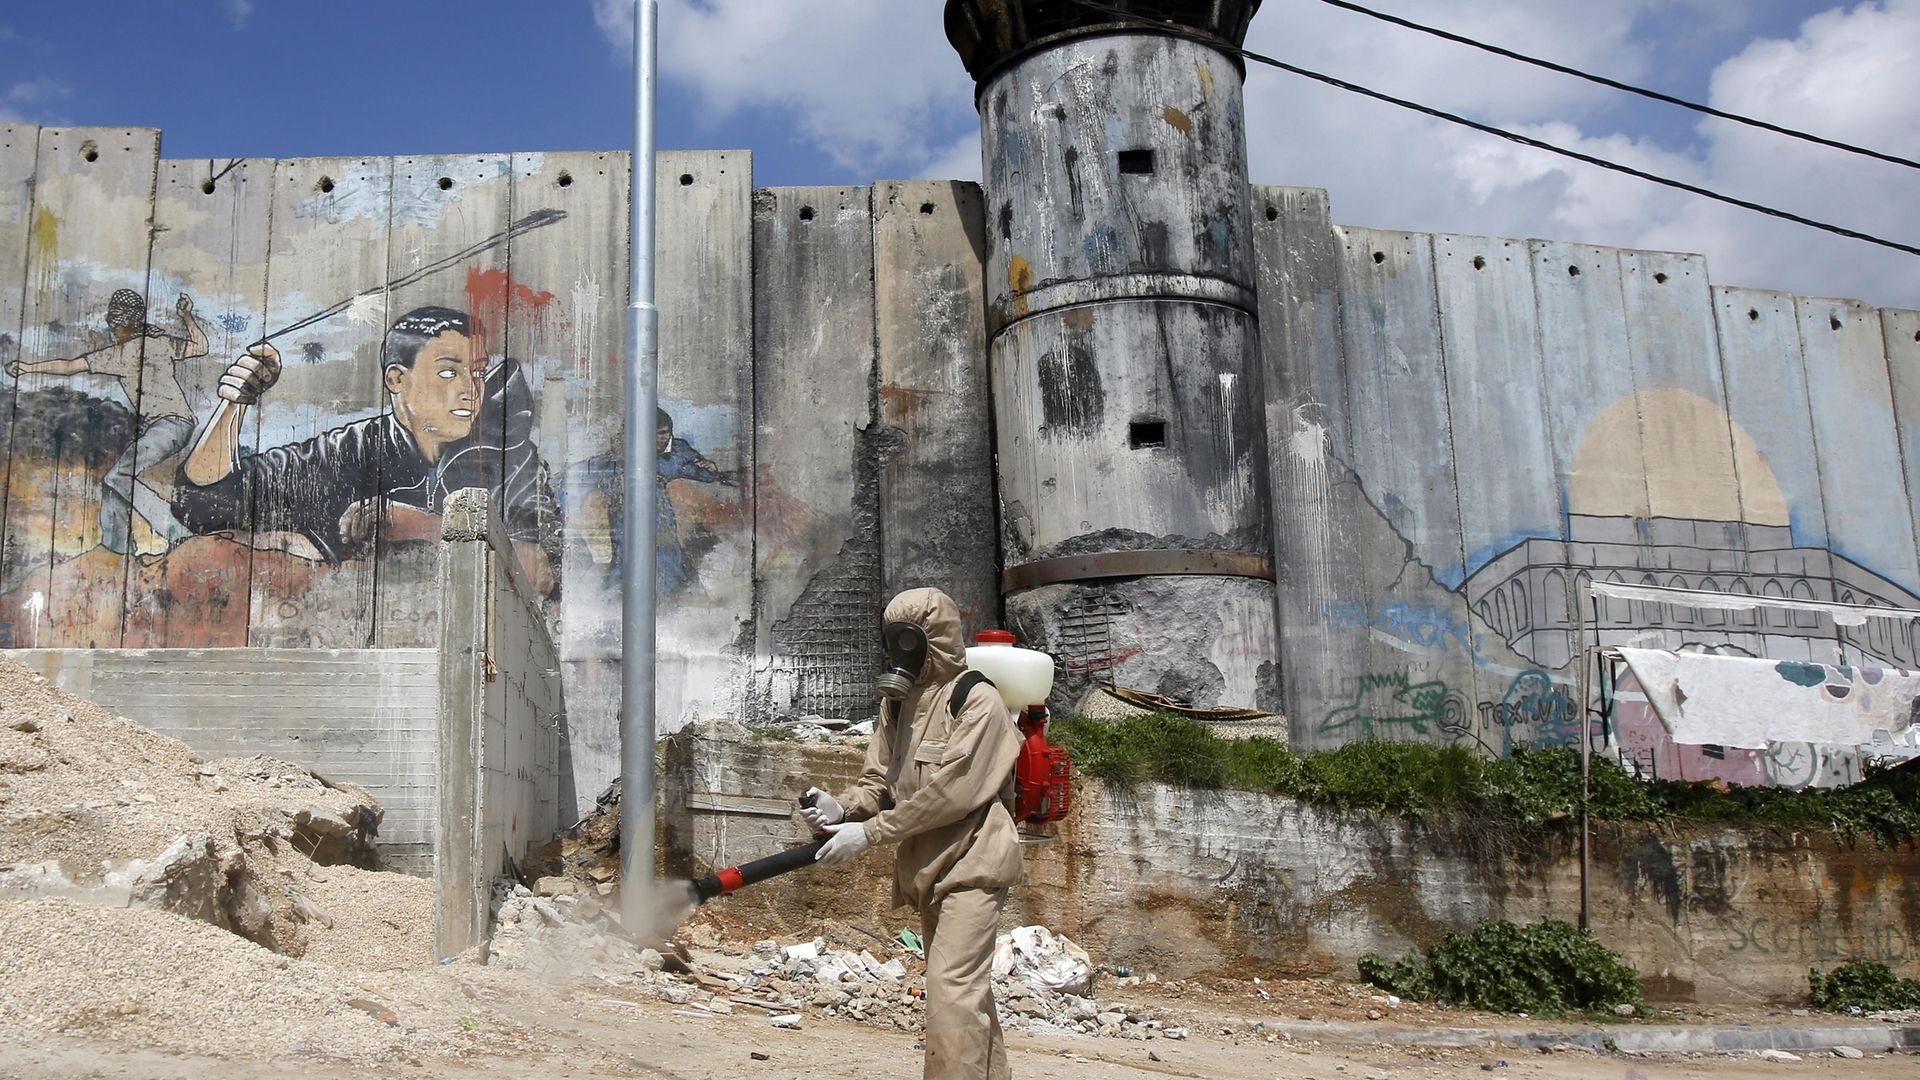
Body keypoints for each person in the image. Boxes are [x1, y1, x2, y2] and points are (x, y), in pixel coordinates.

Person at [172, 306, 555, 592]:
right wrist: (235, 403)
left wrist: (422, 526)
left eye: (476, 372)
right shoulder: (349, 451)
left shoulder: (510, 457)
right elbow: (203, 502)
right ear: (396, 379)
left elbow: (544, 574)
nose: (469, 389)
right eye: (449, 372)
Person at [802, 587, 1024, 1080]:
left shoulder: (977, 699)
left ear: (937, 638)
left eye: (911, 638)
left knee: (950, 994)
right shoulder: (898, 704)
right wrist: (844, 807)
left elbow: (952, 794)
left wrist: (871, 833)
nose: (901, 650)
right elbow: (878, 781)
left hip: (974, 862)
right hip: (926, 869)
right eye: (894, 639)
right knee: (965, 997)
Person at [6, 289, 209, 555]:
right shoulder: (126, 351)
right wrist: (186, 317)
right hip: (165, 426)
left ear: (126, 321)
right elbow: (68, 366)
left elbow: (69, 366)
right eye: (111, 319)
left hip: (173, 424)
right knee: (113, 483)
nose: (112, 326)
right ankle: (116, 549)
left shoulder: (144, 347)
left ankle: (178, 533)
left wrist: (186, 316)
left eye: (116, 319)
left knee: (120, 475)